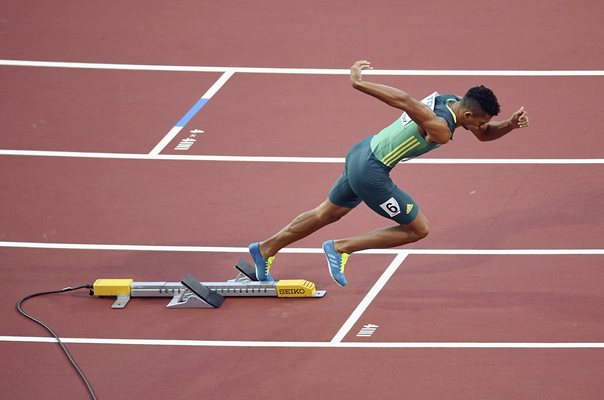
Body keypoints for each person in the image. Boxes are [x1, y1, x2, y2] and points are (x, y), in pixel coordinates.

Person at [248, 60, 529, 286]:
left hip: (360, 152)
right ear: (468, 116)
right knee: (418, 229)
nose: (480, 126)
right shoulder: (442, 130)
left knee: (326, 213)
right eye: (479, 122)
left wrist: (510, 126)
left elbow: (484, 134)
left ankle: (265, 249)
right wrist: (360, 84)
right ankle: (341, 248)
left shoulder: (451, 101)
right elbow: (405, 100)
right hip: (372, 172)